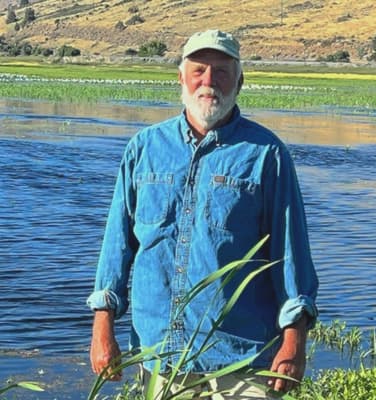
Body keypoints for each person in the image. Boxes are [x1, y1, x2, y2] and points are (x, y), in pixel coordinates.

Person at [87, 29, 318, 399]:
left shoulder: (266, 155)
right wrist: (103, 327)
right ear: (181, 77)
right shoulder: (144, 148)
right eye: (198, 70)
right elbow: (117, 246)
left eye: (221, 71)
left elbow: (290, 255)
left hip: (244, 358)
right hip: (159, 354)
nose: (208, 81)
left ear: (240, 81)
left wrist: (294, 343)